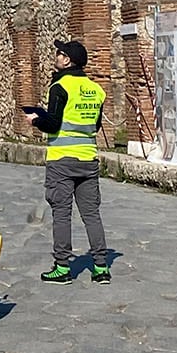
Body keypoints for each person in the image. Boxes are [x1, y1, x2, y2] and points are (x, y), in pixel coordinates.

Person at [21, 39, 111, 283]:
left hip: (62, 159)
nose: (57, 56)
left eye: (60, 54)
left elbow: (54, 123)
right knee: (91, 214)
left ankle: (62, 267)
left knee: (61, 213)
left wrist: (35, 119)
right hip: (88, 158)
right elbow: (96, 125)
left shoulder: (59, 87)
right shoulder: (97, 90)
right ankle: (101, 267)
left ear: (68, 60)